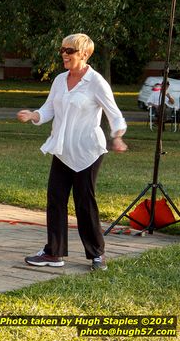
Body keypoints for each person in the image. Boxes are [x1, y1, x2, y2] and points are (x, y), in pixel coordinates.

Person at [17, 33, 128, 272]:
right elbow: (48, 109)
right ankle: (53, 253)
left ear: (84, 54)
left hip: (88, 151)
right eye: (62, 50)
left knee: (84, 203)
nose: (64, 55)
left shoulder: (96, 82)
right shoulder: (59, 80)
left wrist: (117, 136)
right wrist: (33, 115)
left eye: (70, 51)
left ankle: (97, 255)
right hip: (63, 149)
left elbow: (114, 113)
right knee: (55, 199)